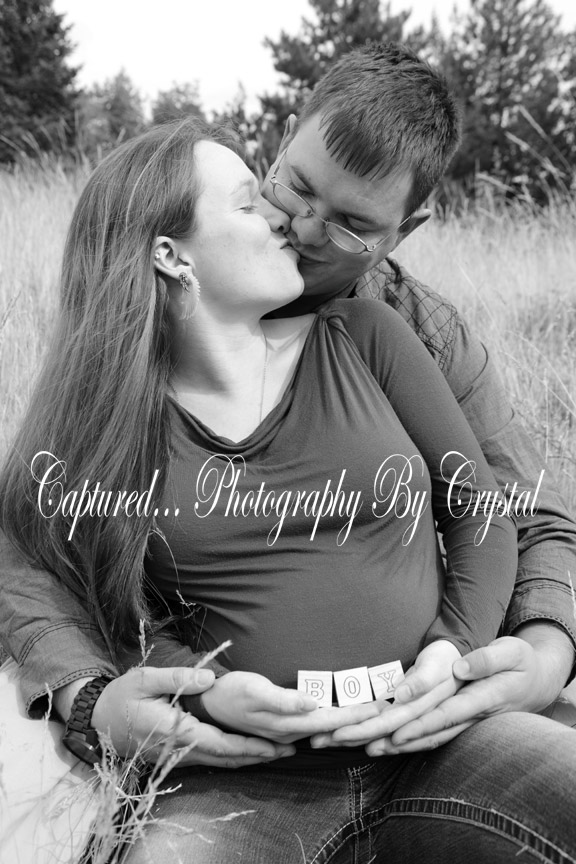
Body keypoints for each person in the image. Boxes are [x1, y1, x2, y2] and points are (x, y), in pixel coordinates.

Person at [1, 108, 576, 864]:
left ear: (399, 232)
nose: (290, 225)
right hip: (249, 780)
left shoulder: (372, 332)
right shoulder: (110, 429)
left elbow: (489, 507)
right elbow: (106, 599)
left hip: (441, 736)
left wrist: (461, 650)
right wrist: (203, 690)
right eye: (258, 201)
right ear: (171, 255)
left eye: (351, 224)